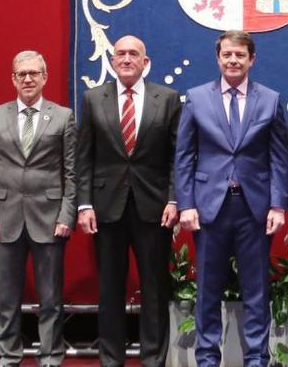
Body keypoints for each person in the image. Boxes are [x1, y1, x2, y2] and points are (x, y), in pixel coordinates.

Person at [175, 30, 288, 367]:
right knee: (208, 291)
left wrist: (278, 204)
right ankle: (207, 359)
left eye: (240, 55)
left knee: (256, 291)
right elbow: (184, 156)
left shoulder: (269, 99)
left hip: (253, 208)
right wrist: (186, 204)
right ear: (218, 58)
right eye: (227, 54)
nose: (233, 60)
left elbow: (279, 157)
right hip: (209, 208)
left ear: (252, 59)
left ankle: (256, 359)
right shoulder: (196, 97)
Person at [75, 35, 182, 367]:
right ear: (112, 60)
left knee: (155, 290)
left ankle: (153, 360)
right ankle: (111, 360)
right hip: (107, 209)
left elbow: (177, 156)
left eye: (133, 54)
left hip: (154, 209)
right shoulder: (94, 98)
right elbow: (84, 157)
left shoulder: (167, 98)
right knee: (110, 292)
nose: (126, 59)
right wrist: (84, 204)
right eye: (120, 53)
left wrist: (174, 199)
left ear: (145, 61)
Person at [0, 50, 75, 367]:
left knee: (50, 299)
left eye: (34, 73)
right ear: (13, 79)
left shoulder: (63, 117)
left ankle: (50, 356)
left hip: (49, 219)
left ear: (45, 77)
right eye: (22, 74)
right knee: (6, 299)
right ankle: (7, 355)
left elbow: (72, 173)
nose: (28, 79)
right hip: (5, 220)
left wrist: (66, 215)